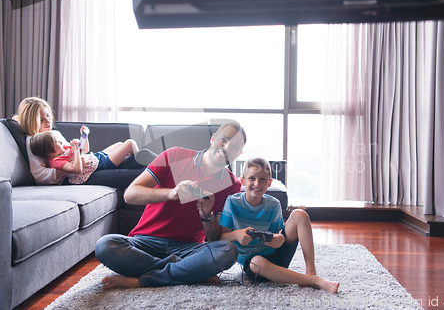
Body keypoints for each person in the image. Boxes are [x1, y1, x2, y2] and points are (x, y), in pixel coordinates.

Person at [94, 121, 247, 290]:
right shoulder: (173, 155)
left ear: (238, 154)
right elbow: (130, 195)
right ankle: (187, 270)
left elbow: (214, 239)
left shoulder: (233, 185)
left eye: (233, 146)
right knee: (105, 246)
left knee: (227, 250)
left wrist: (206, 215)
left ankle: (143, 280)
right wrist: (171, 193)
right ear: (212, 138)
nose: (226, 147)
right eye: (223, 140)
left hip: (188, 248)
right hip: (145, 242)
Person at [219, 157, 340, 294]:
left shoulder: (274, 204)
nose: (257, 183)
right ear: (242, 181)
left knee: (300, 214)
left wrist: (279, 238)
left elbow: (277, 233)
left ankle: (311, 272)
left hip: (276, 254)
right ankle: (313, 281)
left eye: (263, 179)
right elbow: (222, 237)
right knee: (257, 261)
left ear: (269, 183)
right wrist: (237, 234)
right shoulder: (232, 202)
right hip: (253, 264)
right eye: (252, 178)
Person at [12, 96, 154, 188]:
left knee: (137, 156)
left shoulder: (54, 133)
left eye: (48, 115)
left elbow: (76, 152)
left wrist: (80, 148)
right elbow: (39, 176)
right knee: (138, 172)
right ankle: (166, 170)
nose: (48, 121)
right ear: (32, 121)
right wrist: (70, 167)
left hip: (88, 164)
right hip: (78, 177)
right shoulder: (34, 142)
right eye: (41, 119)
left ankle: (166, 163)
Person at [29, 128, 139, 184]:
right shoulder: (57, 161)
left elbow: (85, 150)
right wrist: (75, 151)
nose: (60, 142)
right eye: (56, 142)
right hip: (102, 165)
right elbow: (76, 169)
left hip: (96, 157)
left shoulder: (63, 150)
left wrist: (84, 136)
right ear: (49, 151)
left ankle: (135, 161)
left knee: (120, 144)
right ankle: (140, 163)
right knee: (130, 143)